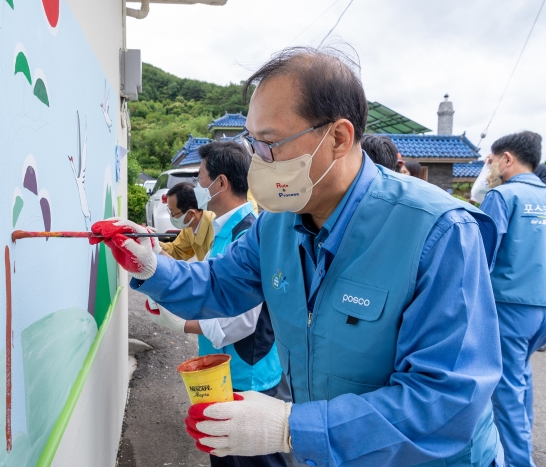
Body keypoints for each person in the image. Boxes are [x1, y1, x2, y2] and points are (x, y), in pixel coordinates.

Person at [91, 47, 502, 466]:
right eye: (253, 144)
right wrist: (153, 266)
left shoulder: (439, 232)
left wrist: (290, 427)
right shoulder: (278, 224)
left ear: (338, 138)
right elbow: (220, 284)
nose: (257, 162)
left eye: (269, 144)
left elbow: (447, 400)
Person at [148, 140, 285, 467]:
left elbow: (238, 321)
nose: (197, 186)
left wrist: (180, 323)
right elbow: (204, 281)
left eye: (201, 177)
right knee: (224, 454)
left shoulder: (247, 233)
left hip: (246, 372)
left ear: (221, 183)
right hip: (222, 368)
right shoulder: (223, 230)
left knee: (248, 459)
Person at [480, 131, 546, 467]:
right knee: (520, 377)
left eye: (490, 160)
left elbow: (481, 257)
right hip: (540, 308)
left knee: (504, 391)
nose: (488, 167)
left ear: (507, 158)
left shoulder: (503, 197)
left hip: (508, 304)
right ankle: (523, 449)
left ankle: (518, 461)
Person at [160, 182, 215, 261]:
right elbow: (177, 251)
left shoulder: (214, 227)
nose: (171, 216)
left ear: (191, 213)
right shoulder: (190, 227)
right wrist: (153, 243)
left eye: (174, 213)